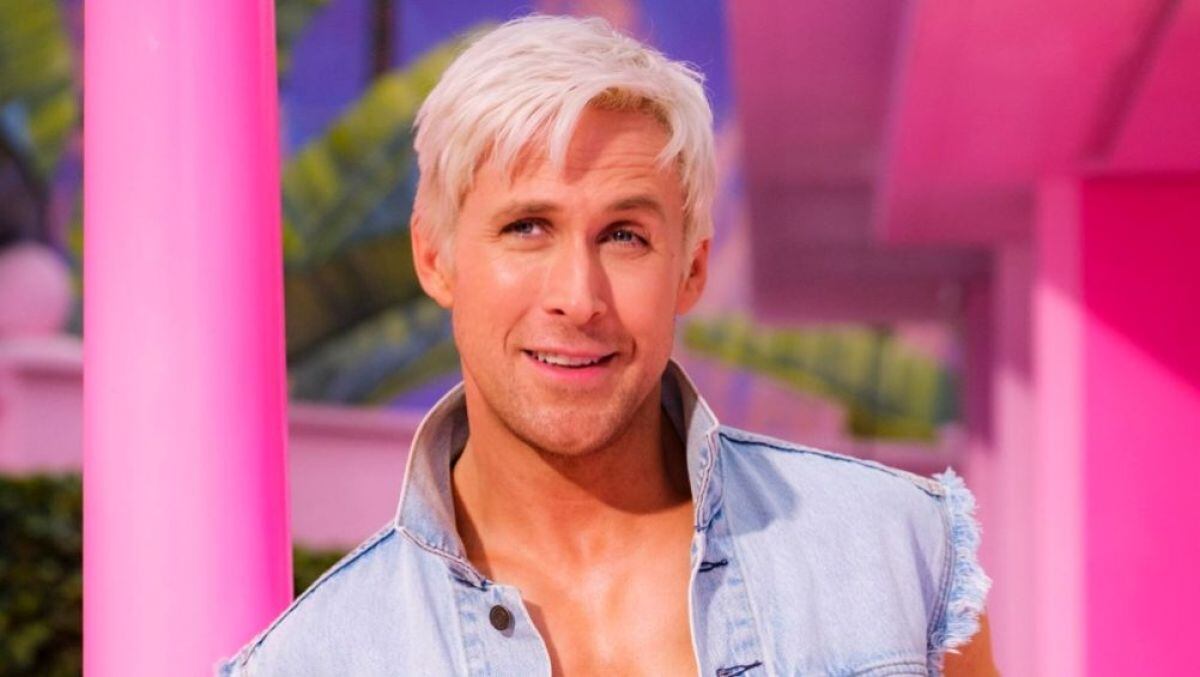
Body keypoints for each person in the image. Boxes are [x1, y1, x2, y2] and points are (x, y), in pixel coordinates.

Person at [218, 14, 994, 676]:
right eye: (528, 227)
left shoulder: (895, 552)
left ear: (691, 269)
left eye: (625, 235)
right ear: (435, 256)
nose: (579, 297)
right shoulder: (316, 660)